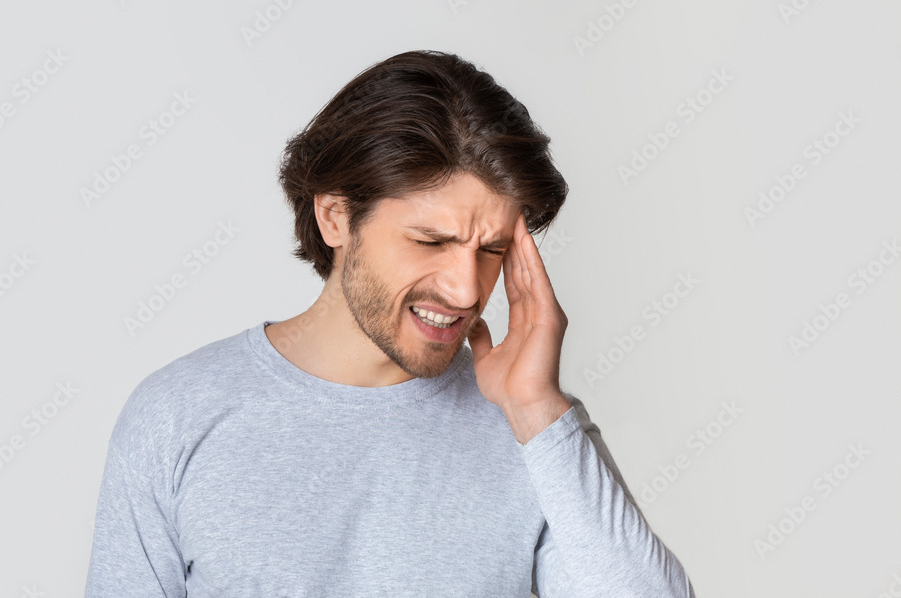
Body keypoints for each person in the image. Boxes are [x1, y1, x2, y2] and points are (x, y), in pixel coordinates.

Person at [83, 49, 697, 597]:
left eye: (490, 250)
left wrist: (538, 411)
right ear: (334, 218)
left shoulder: (530, 430)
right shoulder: (178, 416)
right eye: (431, 241)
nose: (467, 289)